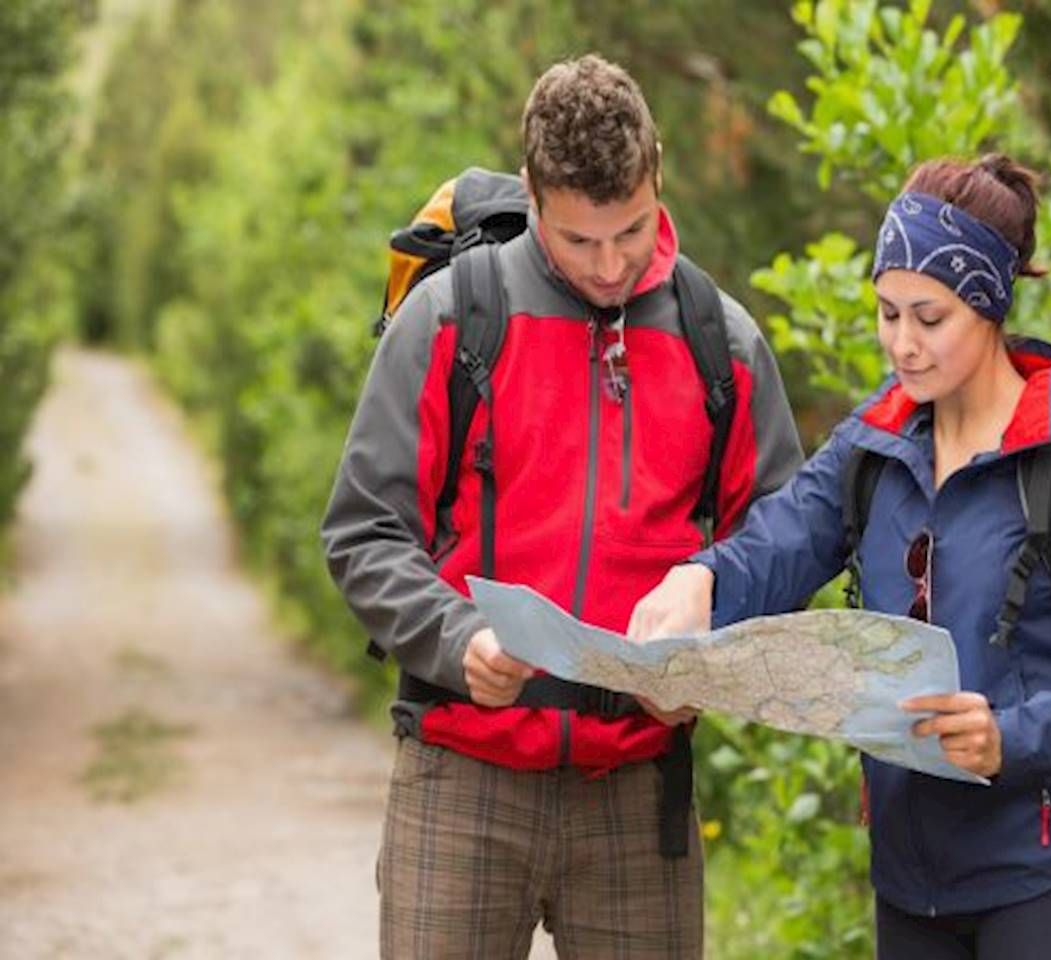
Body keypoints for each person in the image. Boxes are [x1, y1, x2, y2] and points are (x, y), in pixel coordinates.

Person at [321, 54, 803, 959]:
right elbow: (362, 531)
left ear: (657, 177)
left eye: (631, 230)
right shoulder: (453, 321)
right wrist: (455, 638)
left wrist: (701, 659)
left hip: (639, 789)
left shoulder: (721, 344)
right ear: (535, 197)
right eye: (580, 241)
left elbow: (784, 540)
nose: (611, 264)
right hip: (460, 772)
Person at [629, 155, 1051, 959]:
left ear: (987, 307)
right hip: (911, 889)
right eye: (886, 313)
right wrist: (699, 580)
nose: (902, 345)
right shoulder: (874, 445)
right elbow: (778, 544)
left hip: (1050, 880)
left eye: (929, 318)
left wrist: (1007, 739)